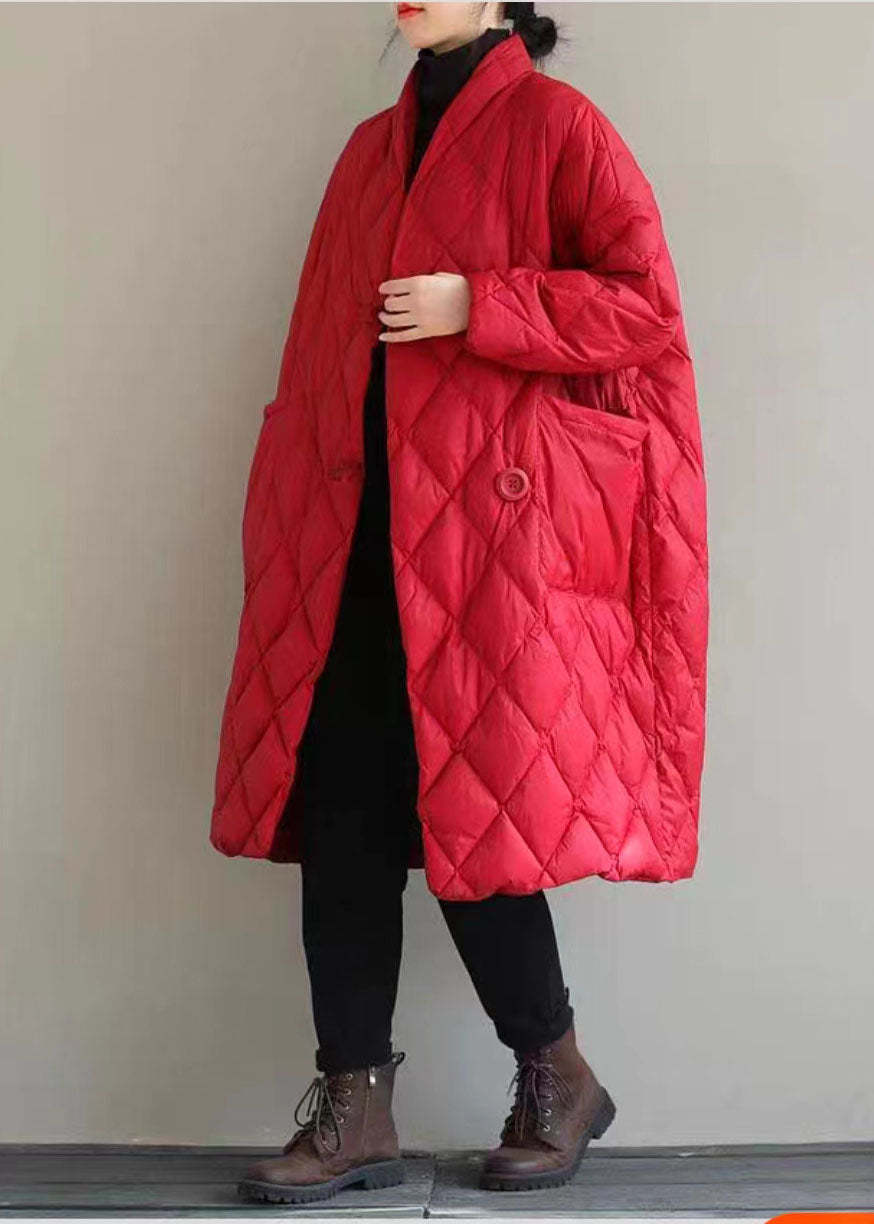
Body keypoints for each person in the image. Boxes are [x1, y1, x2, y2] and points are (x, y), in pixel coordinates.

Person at [212, 0, 709, 1205]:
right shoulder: (364, 153)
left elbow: (642, 306)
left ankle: (557, 1077)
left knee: (479, 825)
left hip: (488, 547)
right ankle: (354, 1110)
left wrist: (480, 303)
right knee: (342, 821)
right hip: (351, 539)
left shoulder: (558, 127)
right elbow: (316, 355)